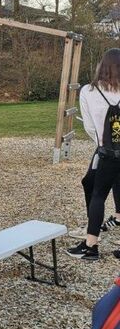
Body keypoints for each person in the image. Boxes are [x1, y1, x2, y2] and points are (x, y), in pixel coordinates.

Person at [67, 48, 120, 261]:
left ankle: (91, 245)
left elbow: (89, 126)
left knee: (98, 194)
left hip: (107, 150)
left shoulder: (90, 91)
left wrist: (101, 141)